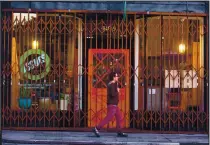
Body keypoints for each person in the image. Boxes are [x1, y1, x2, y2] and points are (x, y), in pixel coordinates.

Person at [93, 71, 128, 137]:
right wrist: (117, 91)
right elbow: (112, 94)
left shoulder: (115, 83)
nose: (117, 77)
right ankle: (96, 128)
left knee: (119, 117)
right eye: (116, 76)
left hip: (115, 105)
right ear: (113, 77)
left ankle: (119, 131)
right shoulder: (111, 84)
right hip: (112, 105)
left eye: (118, 76)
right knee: (108, 118)